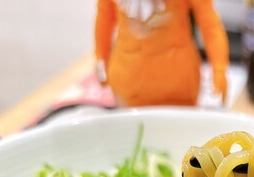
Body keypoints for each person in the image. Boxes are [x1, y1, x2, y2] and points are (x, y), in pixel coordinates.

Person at [95, 0, 229, 107]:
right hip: (129, 82)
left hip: (179, 85)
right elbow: (105, 18)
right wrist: (101, 58)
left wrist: (219, 69)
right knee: (132, 128)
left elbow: (210, 24)